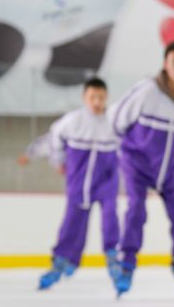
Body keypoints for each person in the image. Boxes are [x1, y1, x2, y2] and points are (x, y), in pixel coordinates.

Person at [110, 41, 174, 298]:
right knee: (136, 210)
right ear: (166, 63)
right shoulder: (147, 91)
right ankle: (127, 263)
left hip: (170, 170)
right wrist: (128, 151)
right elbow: (117, 120)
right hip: (137, 165)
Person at [20, 78, 121, 290]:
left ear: (106, 98)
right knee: (73, 223)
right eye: (92, 97)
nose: (97, 101)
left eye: (101, 97)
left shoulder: (114, 122)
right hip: (79, 180)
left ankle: (113, 258)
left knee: (110, 215)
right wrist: (40, 156)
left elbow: (130, 146)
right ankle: (62, 262)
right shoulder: (73, 121)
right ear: (85, 98)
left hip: (106, 180)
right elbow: (53, 140)